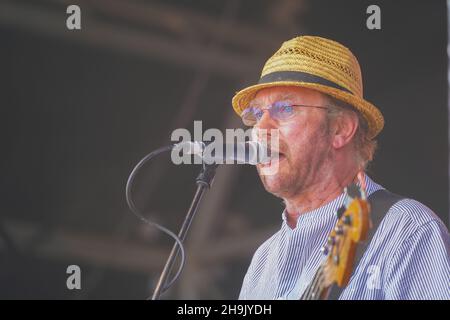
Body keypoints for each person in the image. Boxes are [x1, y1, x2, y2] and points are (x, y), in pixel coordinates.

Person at [232, 36, 450, 300]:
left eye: (285, 108)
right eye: (256, 115)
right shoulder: (262, 262)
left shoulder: (407, 231)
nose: (261, 128)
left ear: (341, 128)